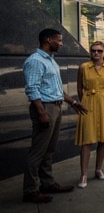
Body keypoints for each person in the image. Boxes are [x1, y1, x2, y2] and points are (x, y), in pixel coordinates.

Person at [22, 28, 88, 203]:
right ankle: (30, 191)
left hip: (56, 107)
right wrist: (42, 113)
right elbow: (32, 89)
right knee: (38, 151)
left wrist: (73, 102)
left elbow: (56, 89)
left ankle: (47, 183)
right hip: (45, 108)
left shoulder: (50, 60)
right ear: (48, 40)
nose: (61, 44)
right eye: (59, 40)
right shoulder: (36, 61)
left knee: (49, 149)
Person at [74, 41, 104, 189]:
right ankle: (83, 174)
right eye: (94, 50)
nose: (96, 53)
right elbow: (79, 88)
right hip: (88, 102)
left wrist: (102, 96)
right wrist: (84, 101)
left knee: (103, 139)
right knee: (87, 140)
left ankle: (98, 169)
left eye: (100, 51)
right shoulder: (84, 67)